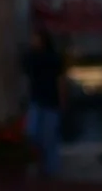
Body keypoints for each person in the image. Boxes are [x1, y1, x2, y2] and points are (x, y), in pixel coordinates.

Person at [21, 16, 68, 178]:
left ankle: (50, 170)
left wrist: (62, 100)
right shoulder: (32, 58)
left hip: (49, 101)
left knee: (48, 137)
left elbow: (60, 81)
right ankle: (42, 166)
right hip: (37, 100)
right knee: (33, 134)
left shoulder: (52, 59)